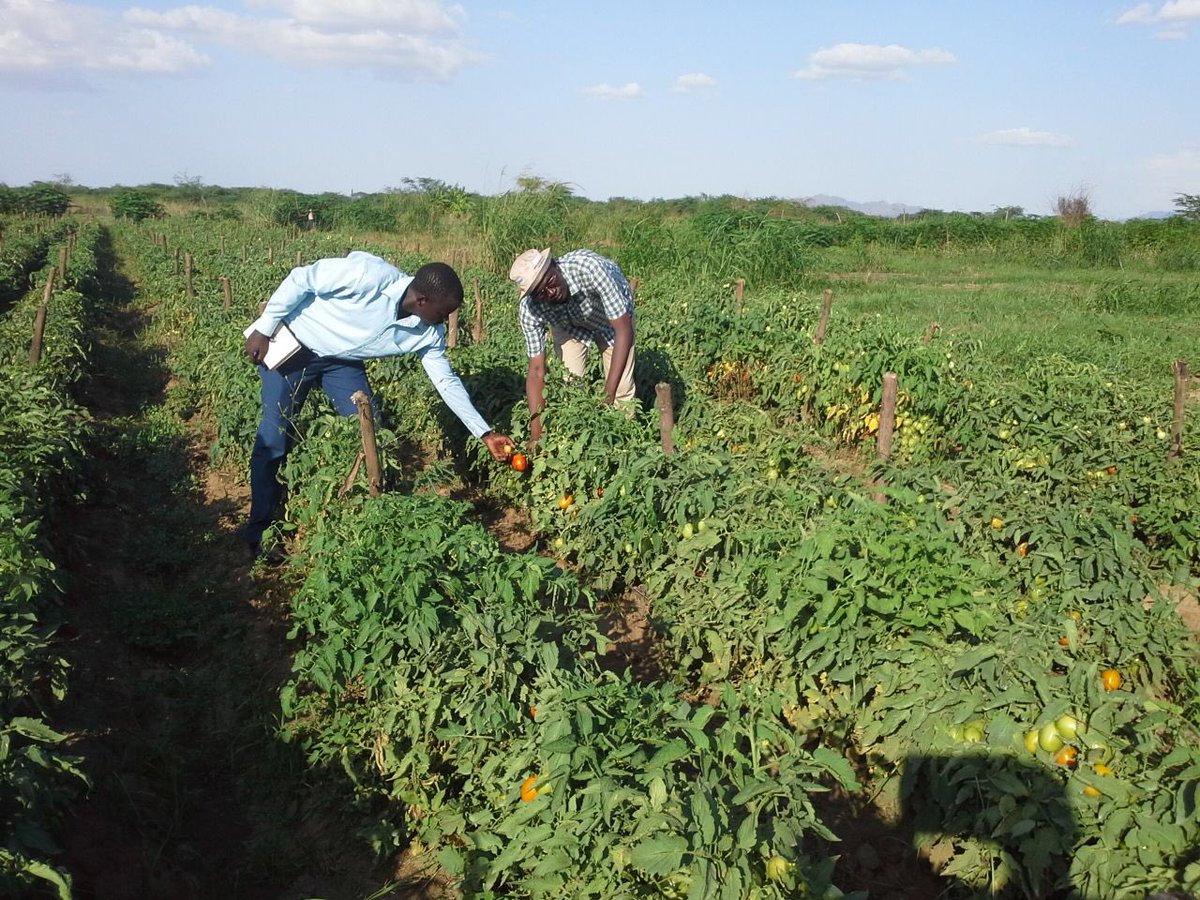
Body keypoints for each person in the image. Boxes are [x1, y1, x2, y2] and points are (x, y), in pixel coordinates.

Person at [242, 251, 514, 562]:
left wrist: (485, 432)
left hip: (342, 362)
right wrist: (264, 328)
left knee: (372, 435)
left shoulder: (428, 333)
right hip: (295, 347)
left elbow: (446, 382)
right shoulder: (368, 276)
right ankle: (260, 531)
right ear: (422, 300)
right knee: (275, 437)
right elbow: (302, 278)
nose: (447, 320)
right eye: (445, 312)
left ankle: (379, 516)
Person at [508, 248, 636, 442]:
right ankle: (577, 441)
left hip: (612, 321)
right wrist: (536, 436)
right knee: (571, 389)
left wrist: (608, 394)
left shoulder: (590, 269)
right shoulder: (531, 309)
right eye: (541, 293)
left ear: (555, 266)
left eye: (550, 282)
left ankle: (624, 444)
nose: (551, 293)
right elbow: (536, 371)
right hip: (568, 325)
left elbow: (623, 331)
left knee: (621, 389)